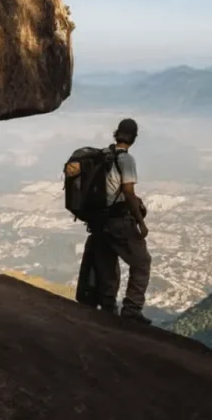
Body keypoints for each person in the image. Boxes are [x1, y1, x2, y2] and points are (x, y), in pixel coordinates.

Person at [79, 118, 152, 324]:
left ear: (116, 133)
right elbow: (127, 192)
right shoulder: (126, 160)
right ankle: (131, 308)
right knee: (142, 262)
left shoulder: (103, 156)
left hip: (99, 222)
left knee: (107, 266)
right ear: (134, 138)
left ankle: (108, 308)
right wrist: (140, 221)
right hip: (118, 221)